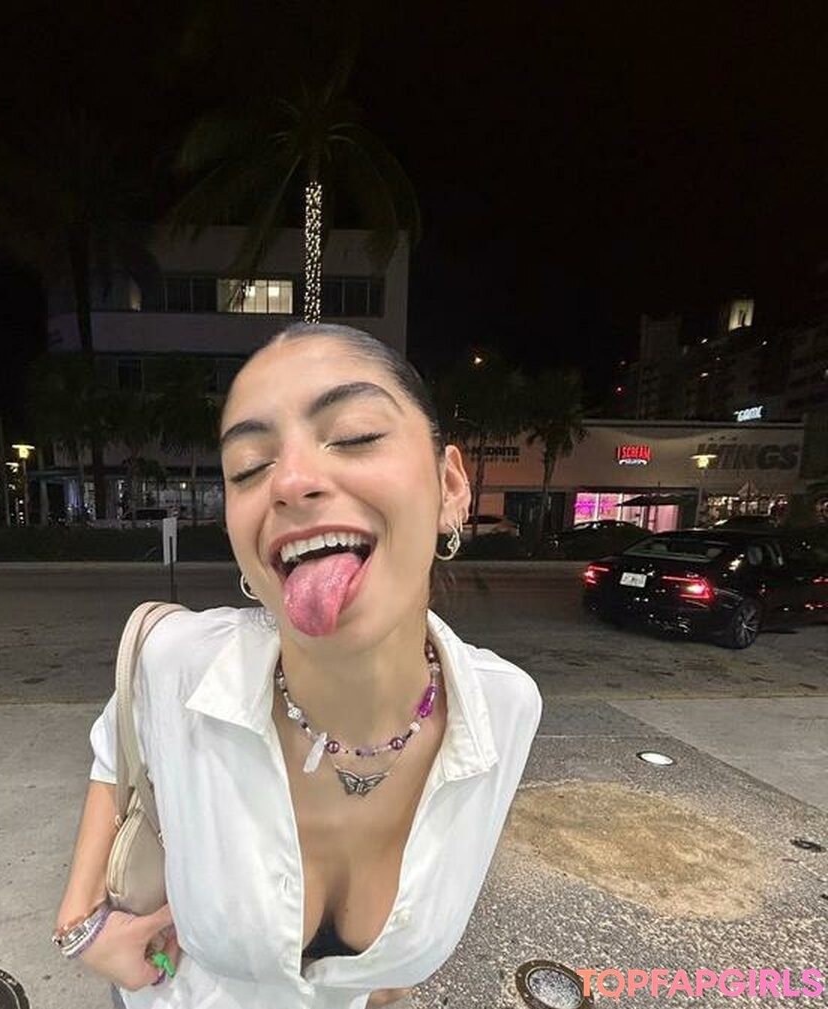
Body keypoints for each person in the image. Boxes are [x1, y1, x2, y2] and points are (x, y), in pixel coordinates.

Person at [53, 323, 543, 1008]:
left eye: (355, 435)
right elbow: (117, 742)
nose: (289, 482)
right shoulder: (180, 662)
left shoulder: (506, 709)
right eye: (249, 467)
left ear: (451, 486)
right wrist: (81, 921)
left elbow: (406, 952)